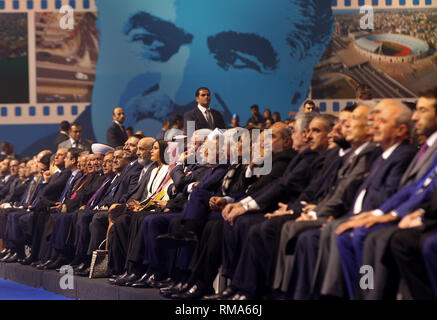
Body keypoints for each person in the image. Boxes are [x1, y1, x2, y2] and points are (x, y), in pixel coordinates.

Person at [90, 0, 334, 140]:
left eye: (238, 58)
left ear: (299, 81)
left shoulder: (218, 118)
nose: (179, 94)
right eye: (150, 41)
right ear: (99, 38)